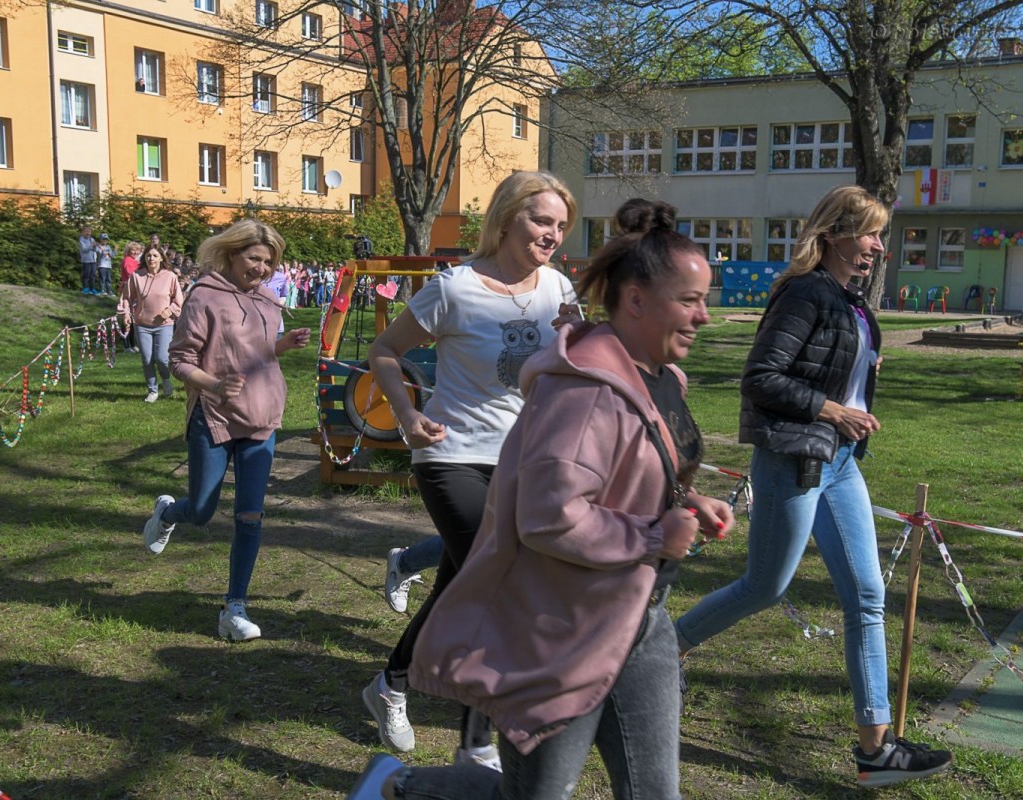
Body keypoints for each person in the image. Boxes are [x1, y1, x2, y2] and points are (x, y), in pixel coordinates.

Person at [347, 198, 732, 800]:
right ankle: (401, 786)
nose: (704, 317)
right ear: (635, 301)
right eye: (689, 301)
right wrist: (656, 537)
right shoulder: (582, 395)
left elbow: (643, 465)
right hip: (565, 633)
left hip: (640, 618)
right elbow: (551, 518)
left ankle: (463, 734)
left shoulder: (664, 376)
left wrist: (689, 497)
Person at [673, 185, 954, 789]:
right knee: (764, 587)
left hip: (841, 463)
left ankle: (875, 749)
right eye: (870, 234)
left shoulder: (849, 301)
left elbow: (831, 369)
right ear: (833, 235)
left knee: (868, 596)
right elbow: (761, 378)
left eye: (880, 235)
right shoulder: (804, 293)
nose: (879, 247)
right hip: (794, 462)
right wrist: (832, 408)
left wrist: (854, 384)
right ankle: (663, 650)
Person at [361, 171, 580, 769]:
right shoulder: (453, 289)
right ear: (508, 218)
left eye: (561, 226)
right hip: (451, 454)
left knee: (459, 583)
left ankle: (391, 685)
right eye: (541, 221)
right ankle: (477, 744)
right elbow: (384, 352)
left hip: (524, 460)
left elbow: (572, 366)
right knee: (497, 582)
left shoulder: (558, 289)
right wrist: (406, 415)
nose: (552, 235)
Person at [140, 219, 311, 641]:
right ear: (232, 254)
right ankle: (168, 513)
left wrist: (281, 346)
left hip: (261, 419)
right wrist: (215, 385)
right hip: (214, 418)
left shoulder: (270, 301)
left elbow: (255, 352)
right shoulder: (205, 298)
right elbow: (179, 360)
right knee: (201, 511)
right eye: (255, 258)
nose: (262, 268)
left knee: (250, 518)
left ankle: (234, 607)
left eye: (269, 261)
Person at [118, 244, 183, 403]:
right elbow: (126, 297)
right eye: (148, 255)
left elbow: (179, 300)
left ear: (161, 258)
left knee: (162, 359)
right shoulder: (136, 276)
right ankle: (152, 390)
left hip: (164, 325)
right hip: (142, 325)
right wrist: (125, 313)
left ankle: (166, 380)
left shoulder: (170, 276)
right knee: (147, 359)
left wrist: (171, 310)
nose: (151, 258)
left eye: (154, 255)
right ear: (144, 258)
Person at [78, 225, 98, 296]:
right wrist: (92, 246)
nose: (88, 233)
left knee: (92, 275)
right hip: (86, 260)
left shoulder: (92, 239)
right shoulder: (81, 239)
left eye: (89, 231)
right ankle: (85, 288)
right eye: (86, 231)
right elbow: (84, 249)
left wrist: (95, 247)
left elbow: (95, 250)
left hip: (93, 259)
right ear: (83, 232)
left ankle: (92, 289)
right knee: (86, 274)